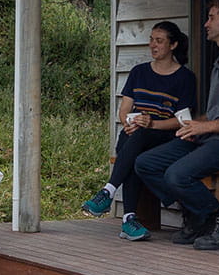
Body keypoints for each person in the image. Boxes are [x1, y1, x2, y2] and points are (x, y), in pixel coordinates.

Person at [134, 0, 219, 251]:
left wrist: (205, 127)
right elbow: (218, 113)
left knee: (177, 174)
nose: (206, 24)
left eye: (211, 18)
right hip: (211, 138)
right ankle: (197, 216)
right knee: (145, 163)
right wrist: (193, 124)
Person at [79, 21, 196, 242]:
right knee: (132, 142)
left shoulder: (185, 78)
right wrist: (128, 122)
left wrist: (151, 123)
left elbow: (182, 121)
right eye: (151, 39)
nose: (153, 45)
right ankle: (129, 219)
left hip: (163, 136)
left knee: (136, 142)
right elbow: (124, 109)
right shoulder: (138, 72)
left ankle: (108, 192)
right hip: (136, 134)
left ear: (173, 45)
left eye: (159, 41)